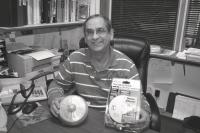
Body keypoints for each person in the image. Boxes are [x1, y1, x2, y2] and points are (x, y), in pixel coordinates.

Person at [47, 14, 150, 132]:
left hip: (114, 125)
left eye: (100, 31)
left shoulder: (126, 66)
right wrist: (55, 98)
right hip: (82, 120)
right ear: (85, 38)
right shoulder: (75, 58)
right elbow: (57, 84)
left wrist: (145, 112)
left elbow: (140, 99)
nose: (95, 37)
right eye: (89, 32)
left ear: (111, 34)